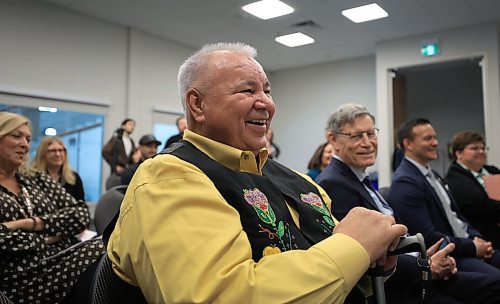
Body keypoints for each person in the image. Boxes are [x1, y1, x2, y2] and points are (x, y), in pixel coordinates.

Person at [107, 42, 407, 304]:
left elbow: (334, 270)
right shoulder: (169, 177)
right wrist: (352, 248)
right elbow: (221, 296)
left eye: (267, 90)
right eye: (247, 90)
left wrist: (371, 261)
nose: (266, 103)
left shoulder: (294, 178)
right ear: (197, 105)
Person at [316, 104, 500, 303]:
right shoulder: (333, 183)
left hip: (419, 269)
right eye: (357, 136)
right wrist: (426, 265)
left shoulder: (357, 177)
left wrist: (424, 255)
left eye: (371, 133)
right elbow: (363, 255)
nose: (368, 143)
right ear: (333, 140)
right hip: (400, 288)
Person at [0, 112, 104, 304]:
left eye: (28, 138)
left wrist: (29, 223)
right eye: (16, 136)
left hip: (58, 259)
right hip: (19, 278)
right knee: (105, 247)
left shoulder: (35, 179)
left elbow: (80, 215)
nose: (24, 144)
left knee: (113, 245)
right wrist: (52, 237)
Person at [388, 118, 500, 278]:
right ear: (408, 144)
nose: (435, 143)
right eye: (428, 138)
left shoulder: (433, 175)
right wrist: (473, 247)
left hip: (466, 246)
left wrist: (477, 238)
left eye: (434, 137)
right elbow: (427, 237)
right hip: (449, 256)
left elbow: (457, 217)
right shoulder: (405, 182)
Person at [445, 131, 500, 247]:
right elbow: (479, 206)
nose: (481, 151)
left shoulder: (493, 171)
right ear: (459, 153)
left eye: (483, 148)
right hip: (486, 239)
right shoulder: (454, 179)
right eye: (474, 148)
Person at [31, 136, 85, 202]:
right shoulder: (33, 178)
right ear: (43, 153)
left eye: (60, 150)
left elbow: (81, 205)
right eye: (53, 150)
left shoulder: (74, 178)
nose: (57, 154)